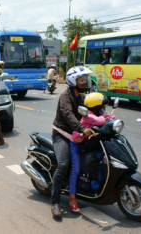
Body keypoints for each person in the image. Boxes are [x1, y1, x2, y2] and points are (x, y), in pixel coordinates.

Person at [51, 66, 95, 218]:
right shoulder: (65, 97)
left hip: (77, 135)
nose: (85, 81)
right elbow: (68, 115)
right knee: (63, 164)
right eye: (82, 79)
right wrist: (83, 128)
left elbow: (92, 111)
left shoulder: (82, 97)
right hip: (62, 135)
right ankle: (55, 202)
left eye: (85, 79)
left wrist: (104, 116)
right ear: (72, 81)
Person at [69, 92, 115, 212]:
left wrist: (108, 117)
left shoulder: (97, 113)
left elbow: (108, 117)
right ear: (96, 106)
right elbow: (99, 121)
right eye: (101, 106)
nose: (103, 109)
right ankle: (72, 197)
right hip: (77, 143)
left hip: (88, 143)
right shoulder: (89, 114)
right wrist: (105, 118)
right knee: (76, 169)